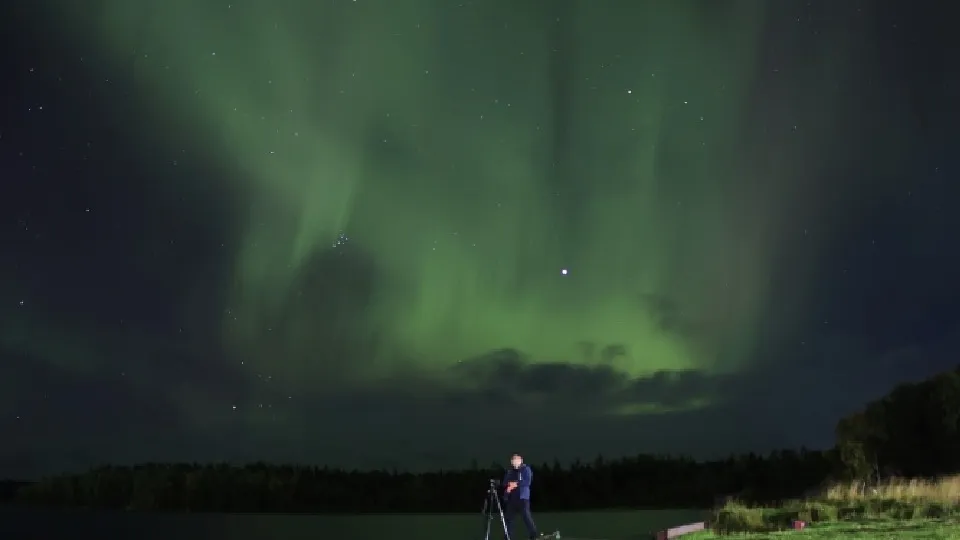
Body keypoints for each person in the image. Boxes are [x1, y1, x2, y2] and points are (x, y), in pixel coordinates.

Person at [502, 453, 539, 540]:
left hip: (523, 498)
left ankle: (533, 534)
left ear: (521, 460)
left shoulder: (526, 469)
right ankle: (508, 537)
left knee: (526, 516)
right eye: (512, 460)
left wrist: (515, 484)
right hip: (512, 499)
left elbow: (527, 482)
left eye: (516, 460)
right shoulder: (510, 472)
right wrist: (508, 487)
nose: (514, 462)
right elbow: (504, 483)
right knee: (509, 519)